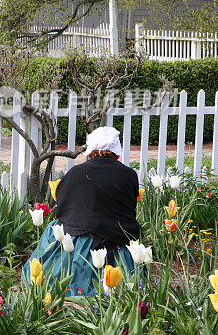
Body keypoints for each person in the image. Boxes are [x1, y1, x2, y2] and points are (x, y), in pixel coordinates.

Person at [22, 126, 142, 295]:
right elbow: (129, 209)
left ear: (91, 149)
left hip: (80, 242)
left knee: (58, 225)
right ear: (116, 150)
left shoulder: (76, 173)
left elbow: (63, 209)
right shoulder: (129, 174)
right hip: (117, 240)